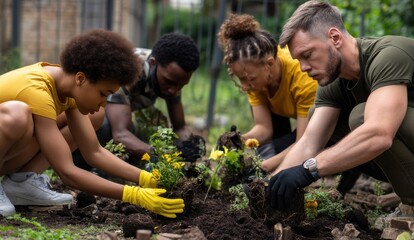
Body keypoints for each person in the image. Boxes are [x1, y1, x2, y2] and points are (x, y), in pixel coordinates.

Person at [0, 29, 184, 218]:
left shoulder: (67, 87)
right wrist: (133, 194)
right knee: (18, 116)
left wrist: (145, 178)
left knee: (95, 116)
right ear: (81, 78)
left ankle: (20, 183)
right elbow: (67, 172)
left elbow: (94, 152)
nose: (104, 102)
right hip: (12, 124)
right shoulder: (37, 89)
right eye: (103, 94)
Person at [267, 0, 414, 215]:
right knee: (322, 117)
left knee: (363, 118)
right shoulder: (333, 80)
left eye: (307, 55)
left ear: (335, 38)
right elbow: (309, 142)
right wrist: (271, 184)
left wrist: (310, 169)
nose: (304, 67)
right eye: (298, 60)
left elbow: (379, 133)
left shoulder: (388, 56)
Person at [72, 32, 202, 171]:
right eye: (169, 82)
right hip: (75, 115)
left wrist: (190, 146)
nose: (174, 91)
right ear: (153, 63)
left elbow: (180, 126)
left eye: (181, 85)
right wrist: (165, 155)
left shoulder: (172, 79)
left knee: (169, 140)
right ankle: (81, 167)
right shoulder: (128, 70)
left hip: (107, 118)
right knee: (105, 125)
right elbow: (120, 134)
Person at [217, 13, 318, 173]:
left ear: (269, 64)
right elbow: (264, 129)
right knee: (272, 150)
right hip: (293, 126)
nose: (244, 86)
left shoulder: (302, 75)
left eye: (248, 79)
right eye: (240, 79)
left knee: (278, 155)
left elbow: (304, 143)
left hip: (329, 126)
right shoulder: (254, 77)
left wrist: (262, 167)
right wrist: (237, 142)